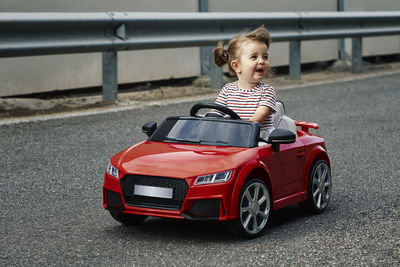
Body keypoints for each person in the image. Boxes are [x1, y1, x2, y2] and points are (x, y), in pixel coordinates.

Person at [212, 25, 276, 140]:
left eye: (265, 57)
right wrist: (207, 120)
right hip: (230, 138)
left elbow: (260, 115)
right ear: (236, 66)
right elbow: (216, 111)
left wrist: (239, 130)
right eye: (254, 57)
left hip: (258, 140)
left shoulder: (267, 91)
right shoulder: (227, 90)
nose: (261, 61)